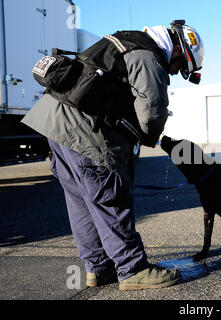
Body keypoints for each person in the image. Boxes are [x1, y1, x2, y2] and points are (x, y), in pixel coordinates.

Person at [21, 20, 204, 290]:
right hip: (85, 132)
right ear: (178, 49)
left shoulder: (121, 41)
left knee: (82, 202)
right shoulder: (146, 55)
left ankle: (99, 268)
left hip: (56, 126)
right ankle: (132, 269)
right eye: (180, 67)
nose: (175, 72)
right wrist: (146, 140)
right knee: (111, 197)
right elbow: (152, 111)